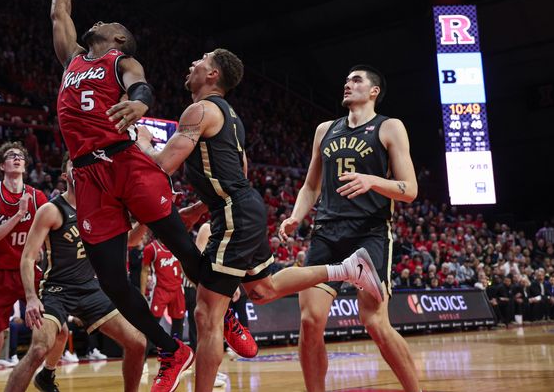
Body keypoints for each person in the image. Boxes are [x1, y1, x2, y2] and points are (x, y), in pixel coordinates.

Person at [136, 51, 383, 392]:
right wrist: (201, 206)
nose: (193, 63)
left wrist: (144, 143)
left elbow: (162, 164)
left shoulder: (200, 110)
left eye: (202, 60)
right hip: (244, 208)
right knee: (263, 290)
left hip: (235, 214)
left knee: (207, 315)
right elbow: (242, 169)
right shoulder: (232, 117)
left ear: (213, 74)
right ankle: (346, 269)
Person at [52, 0, 229, 391]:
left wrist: (136, 104)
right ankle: (172, 349)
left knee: (185, 251)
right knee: (112, 280)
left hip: (125, 163)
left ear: (117, 39)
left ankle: (228, 321)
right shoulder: (73, 60)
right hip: (88, 176)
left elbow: (141, 85)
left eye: (110, 24)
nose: (101, 22)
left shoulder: (121, 59)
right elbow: (59, 17)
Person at [278, 65, 421, 392]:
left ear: (374, 91)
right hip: (326, 231)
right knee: (310, 321)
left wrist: (372, 180)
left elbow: (410, 189)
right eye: (346, 80)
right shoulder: (325, 129)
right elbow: (310, 187)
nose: (347, 84)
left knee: (374, 323)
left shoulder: (389, 127)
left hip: (368, 232)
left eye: (356, 80)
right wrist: (296, 217)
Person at [7, 153, 146, 392]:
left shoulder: (102, 207)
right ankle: (43, 375)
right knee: (40, 348)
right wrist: (30, 298)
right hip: (57, 290)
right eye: (75, 164)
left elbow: (129, 241)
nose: (81, 167)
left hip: (90, 289)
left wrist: (145, 219)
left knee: (138, 343)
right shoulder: (51, 210)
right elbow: (28, 257)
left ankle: (47, 377)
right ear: (65, 175)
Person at [0, 142, 48, 392]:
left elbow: (49, 238)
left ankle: (47, 375)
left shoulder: (38, 197)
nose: (16, 158)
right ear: (2, 165)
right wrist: (17, 216)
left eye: (20, 156)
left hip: (29, 271)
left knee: (58, 330)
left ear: (25, 165)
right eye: (10, 156)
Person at [141, 237, 185, 341]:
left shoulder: (177, 245)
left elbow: (182, 267)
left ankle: (176, 354)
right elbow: (144, 271)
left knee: (178, 324)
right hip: (160, 290)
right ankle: (143, 355)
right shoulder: (151, 248)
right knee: (152, 324)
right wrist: (142, 293)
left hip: (177, 289)